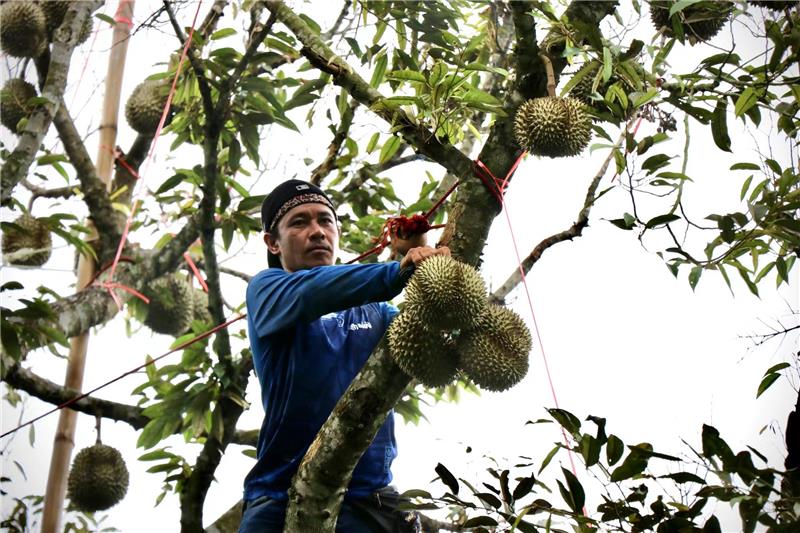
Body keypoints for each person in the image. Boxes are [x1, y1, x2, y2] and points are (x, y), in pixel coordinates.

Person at [239, 179, 450, 532]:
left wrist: (429, 269)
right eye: (299, 222)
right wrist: (397, 270)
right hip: (278, 501)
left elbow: (435, 343)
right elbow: (313, 291)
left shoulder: (378, 313)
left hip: (371, 503)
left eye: (325, 220)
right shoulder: (267, 291)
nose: (318, 232)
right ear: (272, 242)